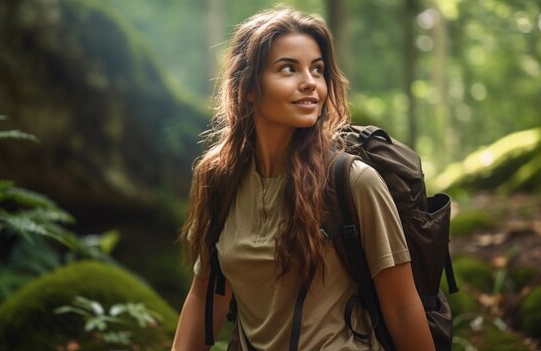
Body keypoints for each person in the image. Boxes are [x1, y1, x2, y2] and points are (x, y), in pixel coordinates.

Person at [172, 6, 435, 351]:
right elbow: (206, 295)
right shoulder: (218, 177)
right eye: (288, 69)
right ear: (248, 87)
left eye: (317, 69)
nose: (310, 82)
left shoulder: (353, 182)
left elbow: (402, 307)